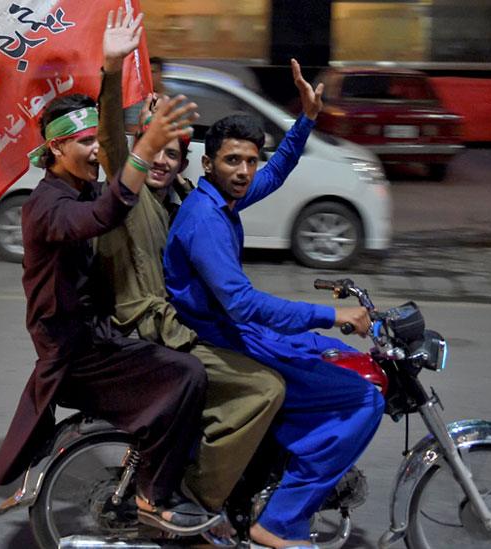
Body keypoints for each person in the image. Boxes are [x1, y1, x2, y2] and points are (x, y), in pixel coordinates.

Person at [0, 11, 218, 535]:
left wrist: (121, 87)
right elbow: (104, 212)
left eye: (96, 141)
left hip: (99, 335)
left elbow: (119, 164)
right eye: (85, 144)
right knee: (189, 375)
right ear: (54, 149)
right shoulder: (46, 207)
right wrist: (132, 129)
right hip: (77, 353)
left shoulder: (84, 185)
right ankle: (153, 496)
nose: (96, 151)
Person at [162, 59, 385, 549]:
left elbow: (278, 170)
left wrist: (307, 118)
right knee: (362, 397)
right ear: (208, 164)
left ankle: (268, 482)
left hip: (236, 332)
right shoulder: (204, 221)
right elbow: (241, 304)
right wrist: (332, 314)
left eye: (249, 160)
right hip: (221, 338)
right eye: (232, 161)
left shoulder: (223, 200)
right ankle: (279, 520)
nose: (245, 171)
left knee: (321, 353)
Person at [94, 19, 285, 521]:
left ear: (184, 165)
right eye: (154, 151)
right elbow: (115, 143)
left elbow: (258, 179)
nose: (160, 161)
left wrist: (306, 123)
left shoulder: (184, 202)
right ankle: (201, 499)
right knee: (263, 388)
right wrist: (112, 70)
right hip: (151, 331)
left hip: (186, 325)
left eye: (172, 154)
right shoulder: (128, 199)